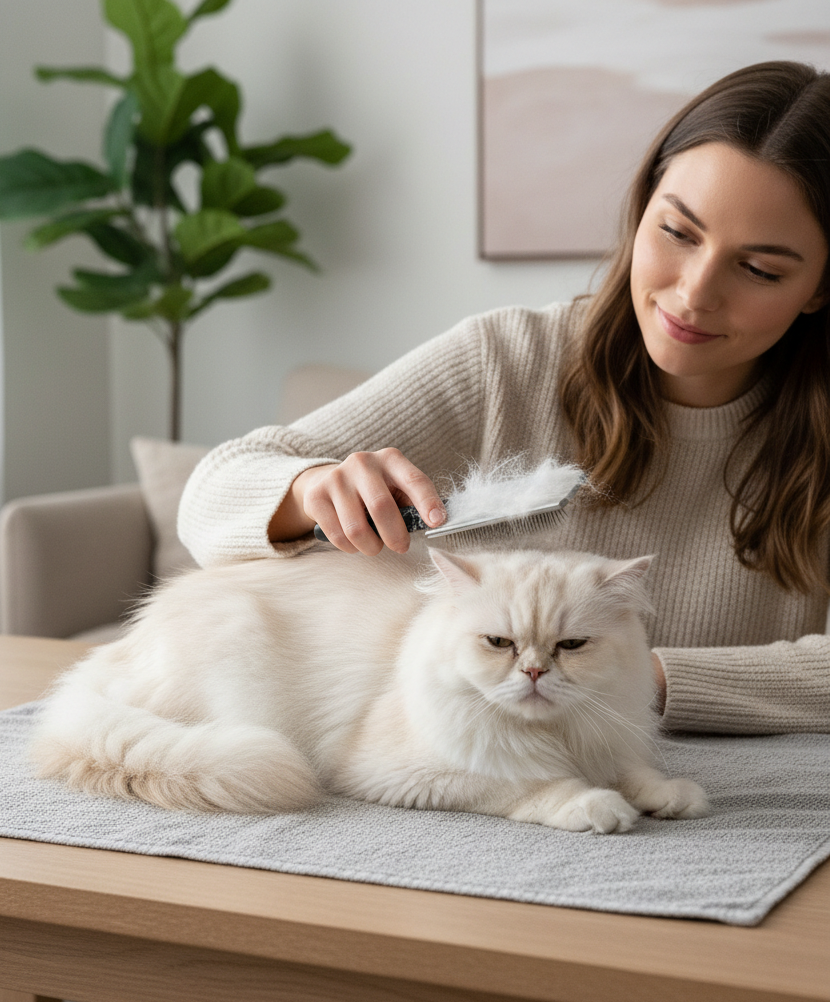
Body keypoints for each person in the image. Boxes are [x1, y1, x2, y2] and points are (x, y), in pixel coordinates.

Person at [178, 61, 830, 736]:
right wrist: (308, 489)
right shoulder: (507, 361)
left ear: (819, 287)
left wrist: (638, 678)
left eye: (758, 269)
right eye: (677, 233)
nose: (695, 292)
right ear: (641, 212)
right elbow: (209, 497)